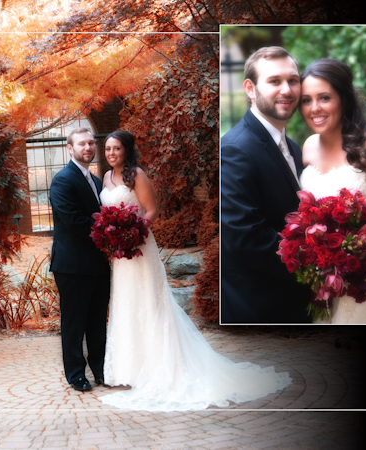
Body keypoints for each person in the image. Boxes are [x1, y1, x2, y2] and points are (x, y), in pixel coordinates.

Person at [98, 130, 290, 411]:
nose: (111, 154)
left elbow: (152, 210)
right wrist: (112, 237)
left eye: (116, 149)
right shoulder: (105, 178)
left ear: (126, 150)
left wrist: (132, 233)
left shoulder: (136, 175)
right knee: (126, 305)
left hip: (138, 247)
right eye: (108, 149)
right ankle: (128, 371)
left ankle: (156, 369)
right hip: (119, 255)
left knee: (148, 304)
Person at [298, 58, 366, 324]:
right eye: (306, 100)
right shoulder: (306, 147)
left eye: (324, 98)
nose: (314, 108)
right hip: (322, 282)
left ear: (343, 98)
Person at [221, 46, 312, 324]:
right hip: (261, 307)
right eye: (274, 81)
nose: (287, 89)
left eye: (293, 80)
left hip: (295, 303)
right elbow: (245, 236)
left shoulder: (294, 148)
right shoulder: (235, 148)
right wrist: (316, 260)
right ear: (250, 88)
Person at [49, 128, 111, 392]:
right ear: (69, 148)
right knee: (74, 324)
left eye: (90, 143)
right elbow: (74, 220)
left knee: (97, 322)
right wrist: (109, 233)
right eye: (82, 144)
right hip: (72, 266)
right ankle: (76, 375)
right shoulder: (62, 181)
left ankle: (100, 370)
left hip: (98, 264)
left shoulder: (96, 181)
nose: (88, 147)